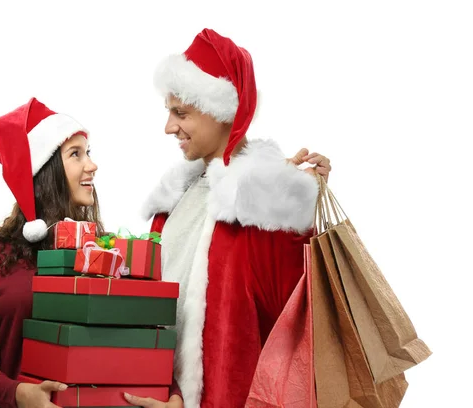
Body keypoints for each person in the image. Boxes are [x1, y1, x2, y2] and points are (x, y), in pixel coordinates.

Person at [124, 29, 332, 408]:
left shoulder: (261, 209)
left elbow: (297, 324)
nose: (169, 127)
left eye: (180, 113)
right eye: (168, 112)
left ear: (220, 111)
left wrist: (290, 199)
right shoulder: (175, 200)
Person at [0, 97, 111, 408]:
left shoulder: (106, 253)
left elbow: (139, 333)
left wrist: (171, 392)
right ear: (45, 171)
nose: (92, 165)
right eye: (76, 155)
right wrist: (19, 393)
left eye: (88, 153)